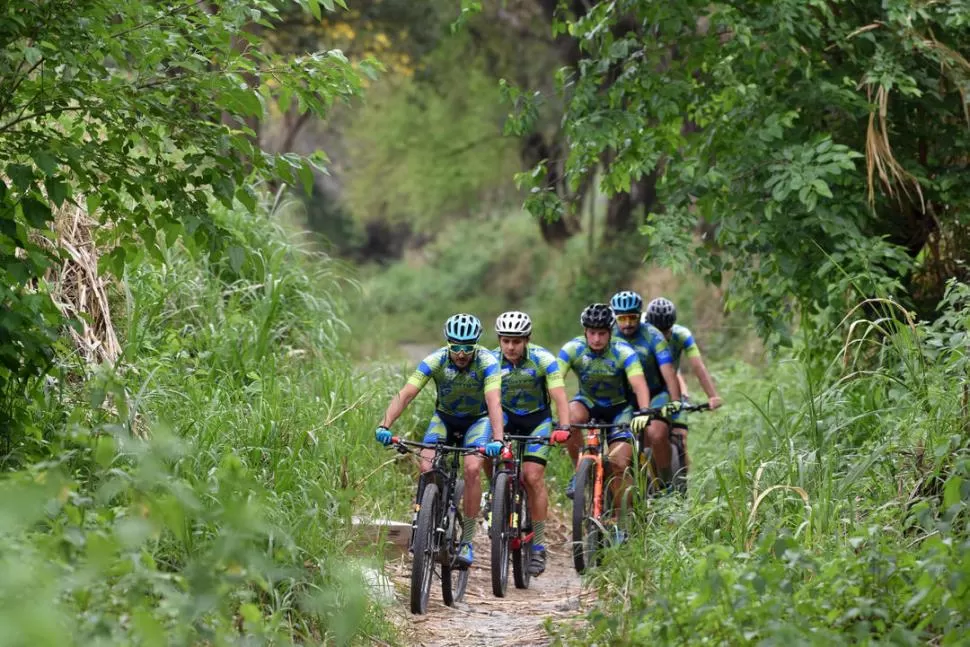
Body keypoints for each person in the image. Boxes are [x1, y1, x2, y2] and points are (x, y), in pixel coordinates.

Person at [375, 313, 505, 567]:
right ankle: (424, 521)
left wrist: (498, 439)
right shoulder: (435, 360)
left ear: (476, 344)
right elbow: (406, 394)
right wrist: (385, 424)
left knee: (471, 469)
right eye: (455, 346)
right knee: (426, 466)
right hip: (444, 419)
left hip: (477, 422)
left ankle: (466, 540)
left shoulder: (488, 362)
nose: (461, 353)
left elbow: (494, 402)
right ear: (448, 343)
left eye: (467, 347)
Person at [490, 311, 571, 576]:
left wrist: (564, 426)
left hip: (537, 421)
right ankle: (495, 495)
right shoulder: (490, 361)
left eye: (516, 341)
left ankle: (537, 544)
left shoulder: (543, 359)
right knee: (487, 451)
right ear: (499, 341)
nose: (511, 347)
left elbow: (559, 395)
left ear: (527, 340)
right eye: (505, 341)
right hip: (505, 420)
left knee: (532, 477)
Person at [557, 303, 652, 517]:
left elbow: (639, 384)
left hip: (619, 410)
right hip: (587, 403)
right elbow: (554, 382)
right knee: (569, 418)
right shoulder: (572, 349)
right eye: (592, 333)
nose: (597, 339)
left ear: (610, 332)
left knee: (617, 464)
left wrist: (644, 409)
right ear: (585, 332)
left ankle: (620, 520)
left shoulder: (623, 351)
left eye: (602, 333)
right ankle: (580, 471)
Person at [610, 290, 684, 489]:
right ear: (615, 317)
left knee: (657, 434)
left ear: (639, 315)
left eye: (632, 318)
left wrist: (675, 400)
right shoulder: (608, 336)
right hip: (623, 398)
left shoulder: (653, 335)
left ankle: (667, 483)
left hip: (655, 394)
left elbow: (668, 371)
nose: (627, 324)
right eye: (622, 318)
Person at [641, 297, 723, 466]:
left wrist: (713, 396)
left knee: (681, 439)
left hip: (670, 389)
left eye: (666, 331)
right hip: (644, 388)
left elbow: (698, 366)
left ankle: (681, 484)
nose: (662, 337)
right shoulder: (640, 333)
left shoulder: (682, 335)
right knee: (645, 438)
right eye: (657, 331)